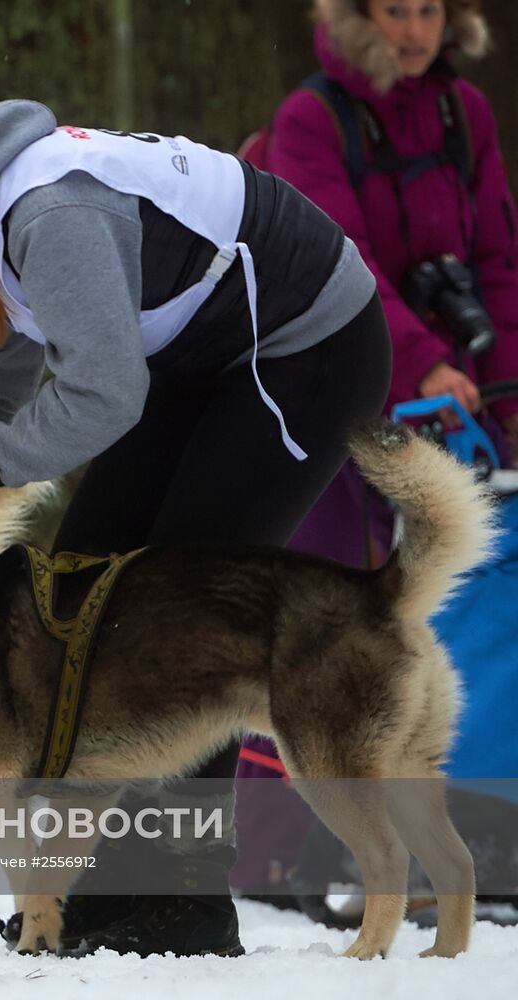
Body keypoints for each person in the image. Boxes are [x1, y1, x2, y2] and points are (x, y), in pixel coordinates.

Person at [0, 19, 393, 958]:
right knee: (79, 580)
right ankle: (103, 889)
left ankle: (180, 902)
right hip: (197, 356)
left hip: (307, 345)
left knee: (174, 610)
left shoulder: (49, 213)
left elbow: (104, 395)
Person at [231, 0, 518, 909]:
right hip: (329, 385)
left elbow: (499, 262)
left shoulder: (459, 113)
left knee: (449, 611)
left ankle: (442, 827)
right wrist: (421, 361)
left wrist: (506, 392)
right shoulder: (312, 120)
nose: (414, 30)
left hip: (453, 404)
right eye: (395, 10)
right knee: (316, 621)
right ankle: (268, 853)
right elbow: (337, 259)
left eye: (429, 9)